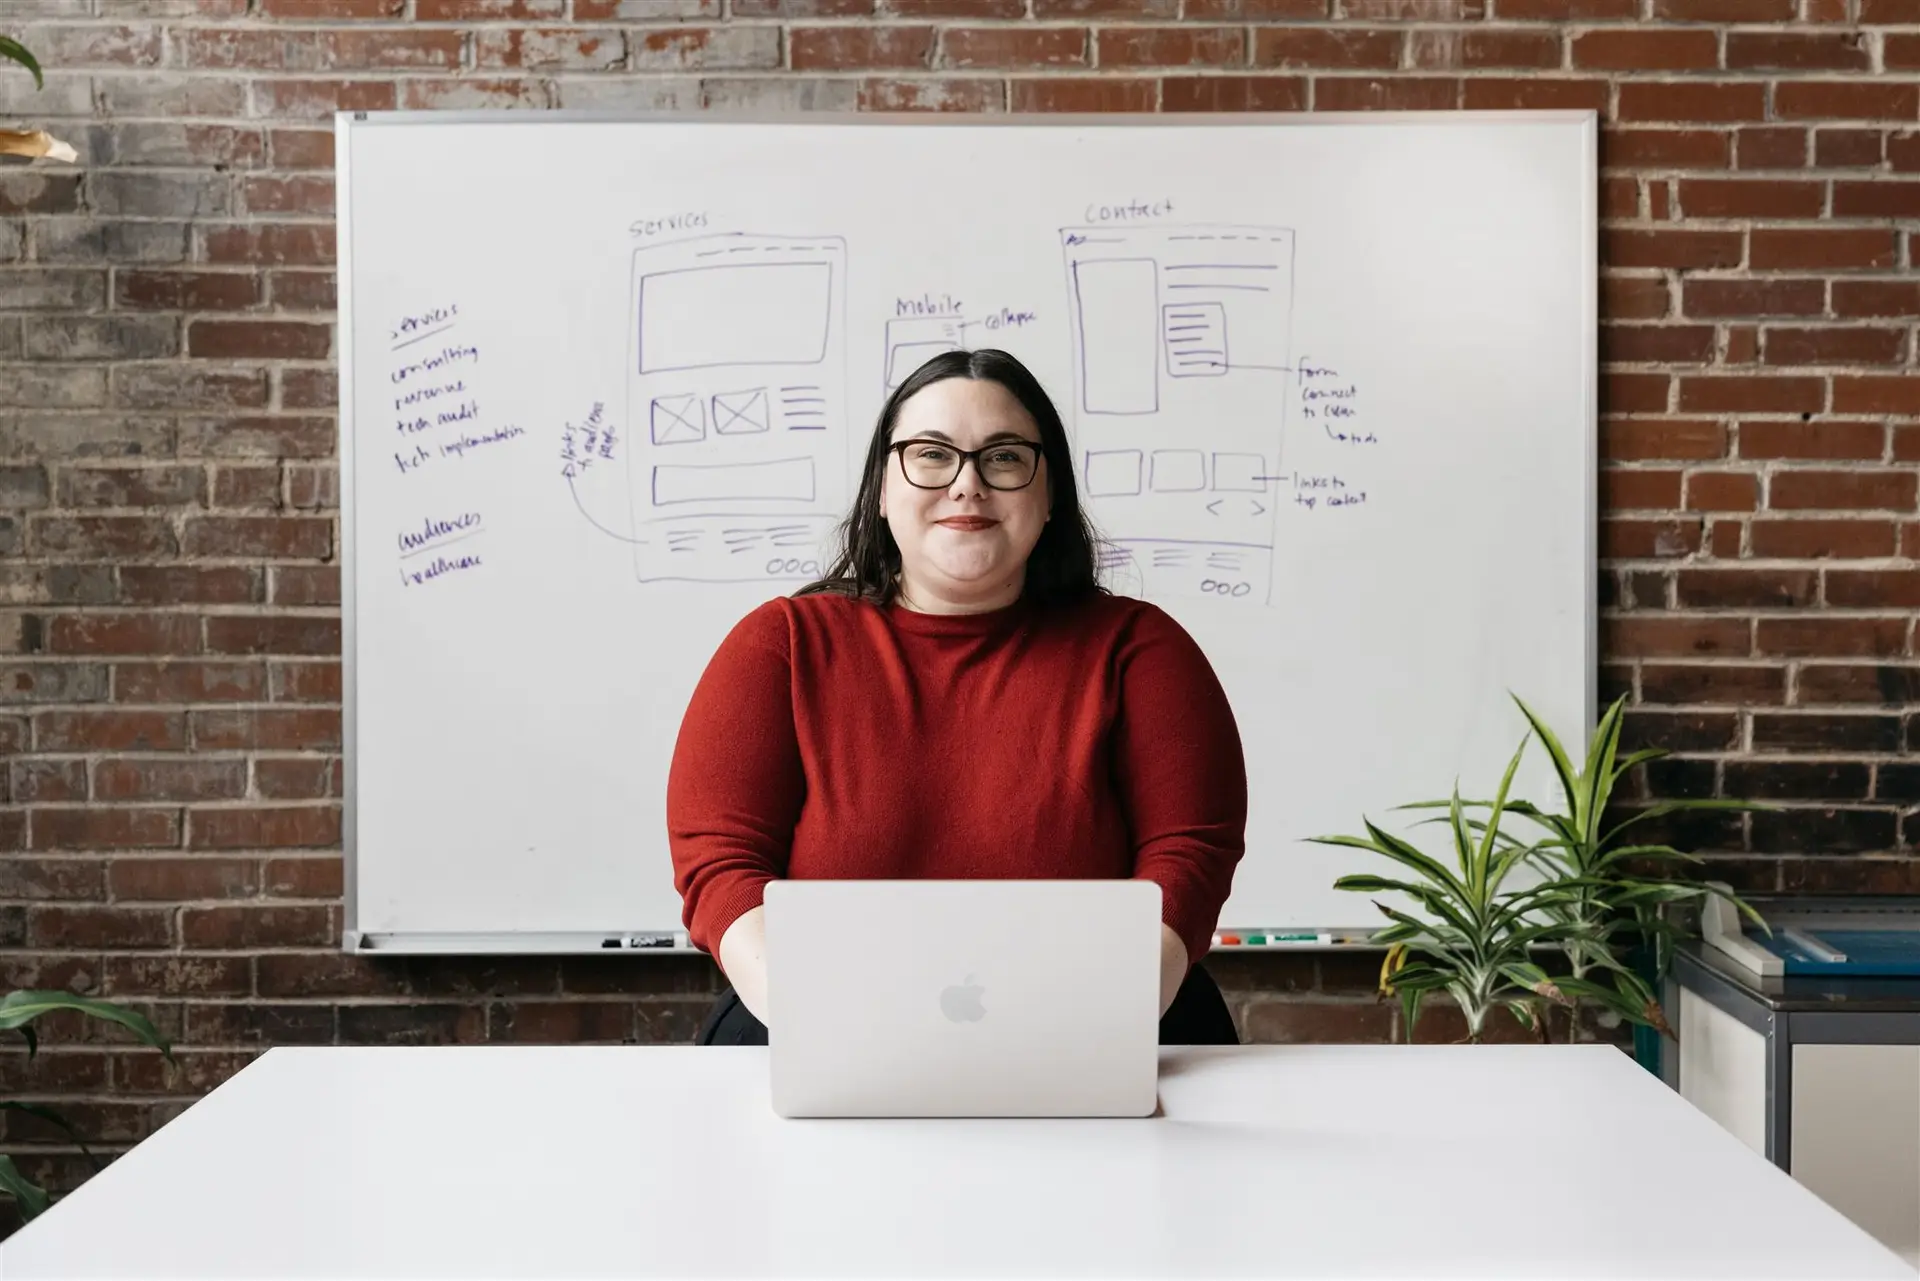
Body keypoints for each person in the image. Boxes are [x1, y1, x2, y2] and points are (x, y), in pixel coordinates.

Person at [666, 348, 1248, 1047]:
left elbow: (1188, 859)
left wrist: (1103, 1021)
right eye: (932, 455)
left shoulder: (1141, 651)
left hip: (1106, 1030)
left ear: (1050, 491)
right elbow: (721, 863)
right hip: (815, 1028)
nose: (967, 486)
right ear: (883, 488)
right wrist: (818, 1016)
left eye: (1003, 457)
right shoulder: (781, 647)